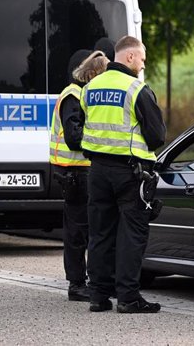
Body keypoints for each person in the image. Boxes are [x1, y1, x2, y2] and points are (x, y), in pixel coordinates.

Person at [80, 35, 166, 313]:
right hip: (130, 173)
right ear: (129, 57)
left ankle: (98, 296)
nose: (143, 64)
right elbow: (157, 136)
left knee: (100, 233)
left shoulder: (90, 87)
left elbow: (86, 125)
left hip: (97, 171)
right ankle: (128, 298)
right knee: (132, 234)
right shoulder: (135, 89)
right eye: (142, 58)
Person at [50, 49, 110, 301]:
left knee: (85, 227)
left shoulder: (81, 94)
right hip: (73, 170)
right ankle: (76, 284)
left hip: (80, 170)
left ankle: (86, 280)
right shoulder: (73, 96)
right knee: (77, 230)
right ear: (94, 74)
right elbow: (75, 139)